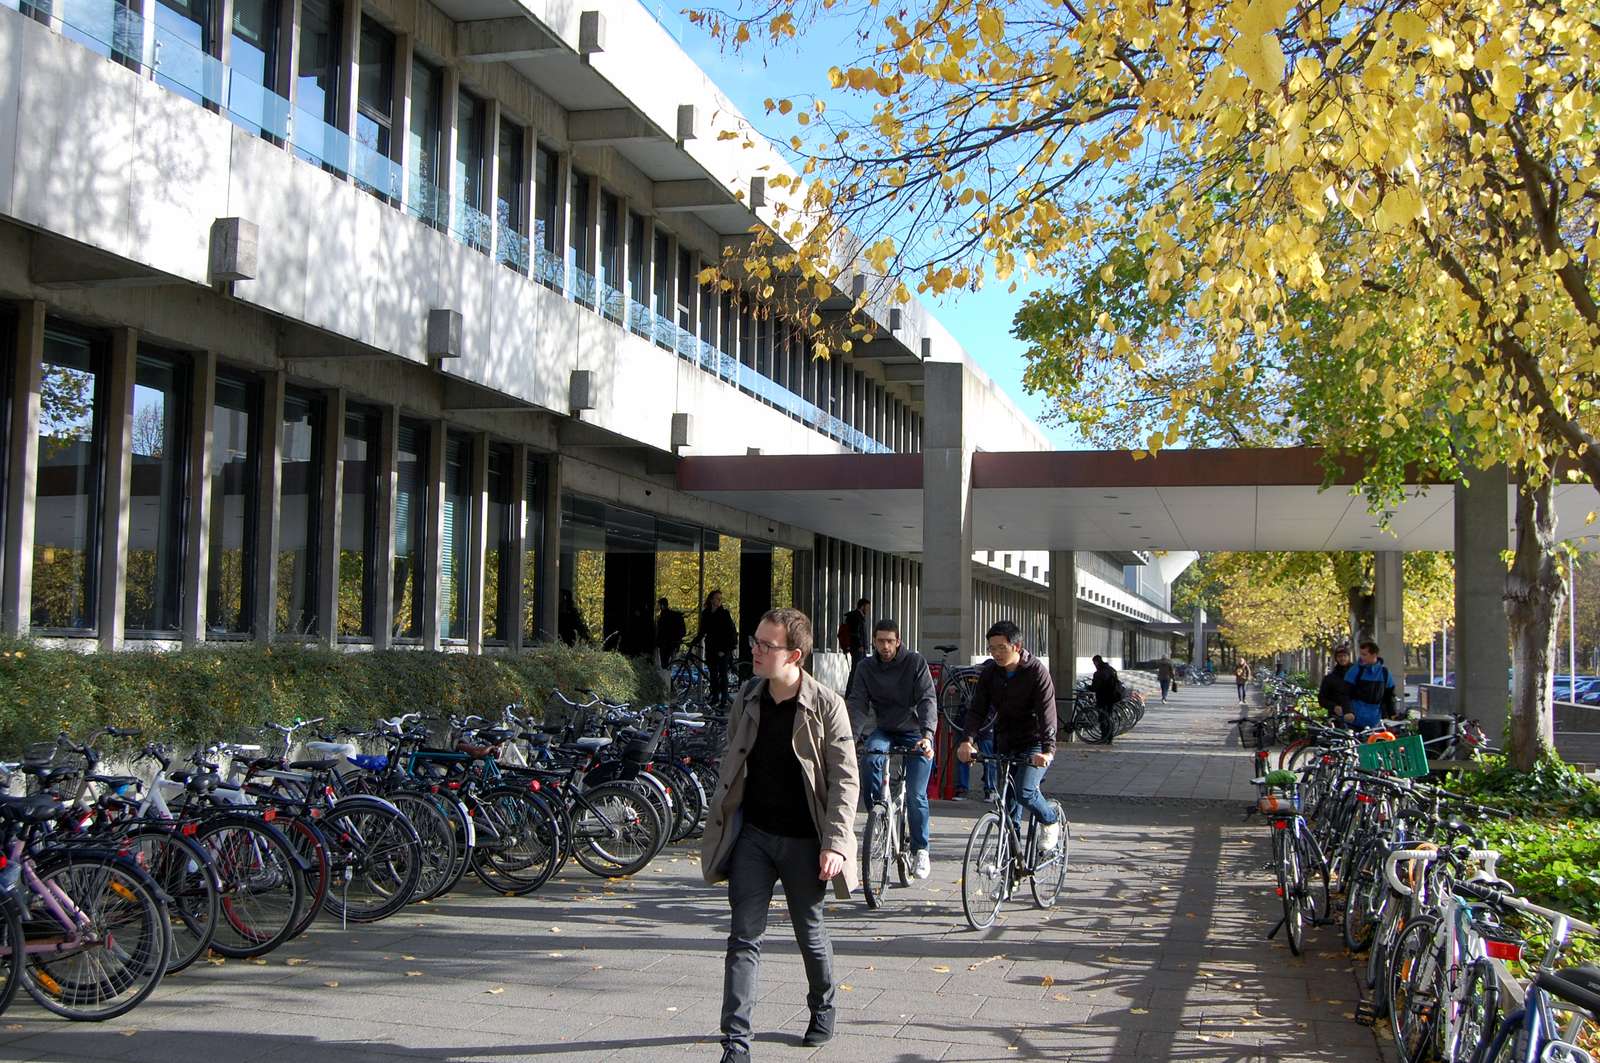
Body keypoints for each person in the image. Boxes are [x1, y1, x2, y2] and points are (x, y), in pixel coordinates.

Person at [701, 608, 860, 1062]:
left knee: (809, 933)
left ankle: (823, 1006)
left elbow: (846, 781)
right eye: (755, 641)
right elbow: (735, 761)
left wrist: (835, 843)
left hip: (805, 841)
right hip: (753, 836)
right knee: (743, 938)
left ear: (795, 654)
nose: (755, 650)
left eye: (765, 646)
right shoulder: (748, 697)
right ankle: (735, 1044)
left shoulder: (827, 705)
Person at [955, 621, 1061, 850]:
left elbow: (1047, 714)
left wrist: (1048, 750)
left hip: (1034, 742)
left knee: (1025, 791)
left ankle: (1050, 819)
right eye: (991, 648)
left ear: (1017, 646)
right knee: (1009, 806)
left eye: (1001, 648)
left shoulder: (1036, 672)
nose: (996, 654)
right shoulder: (990, 672)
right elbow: (977, 710)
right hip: (1005, 740)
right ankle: (1012, 865)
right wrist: (967, 741)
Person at [846, 619, 937, 878]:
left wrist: (928, 736)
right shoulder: (866, 667)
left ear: (898, 642)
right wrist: (850, 738)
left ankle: (921, 850)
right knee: (870, 758)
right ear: (873, 642)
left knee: (916, 795)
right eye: (880, 641)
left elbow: (928, 699)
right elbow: (857, 703)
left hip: (915, 732)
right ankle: (879, 815)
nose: (885, 646)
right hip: (884, 729)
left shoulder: (915, 663)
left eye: (890, 641)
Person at [1340, 640, 1398, 729]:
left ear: (1374, 655)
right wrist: (1348, 711)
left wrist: (1393, 714)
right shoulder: (1355, 670)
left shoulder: (1384, 673)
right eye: (1361, 654)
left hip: (1375, 720)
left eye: (1364, 654)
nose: (1361, 657)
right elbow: (1345, 693)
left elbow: (1389, 696)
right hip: (1355, 719)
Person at [700, 590, 739, 707]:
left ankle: (723, 699)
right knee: (712, 674)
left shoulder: (724, 614)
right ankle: (715, 697)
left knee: (723, 675)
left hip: (723, 649)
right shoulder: (706, 613)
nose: (718, 601)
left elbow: (730, 632)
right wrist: (693, 641)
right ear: (711, 599)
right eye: (716, 598)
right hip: (711, 648)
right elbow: (703, 630)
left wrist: (725, 649)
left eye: (720, 599)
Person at [1089, 655, 1121, 745]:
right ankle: (1109, 738)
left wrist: (1089, 688)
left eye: (1094, 663)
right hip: (1112, 697)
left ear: (1096, 662)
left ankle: (1104, 737)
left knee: (1102, 718)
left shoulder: (1099, 673)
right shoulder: (1111, 669)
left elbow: (1096, 687)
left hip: (1103, 698)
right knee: (1109, 717)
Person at [1318, 645, 1354, 725]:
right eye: (1339, 656)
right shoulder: (1330, 678)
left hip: (1356, 717)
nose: (1342, 658)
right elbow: (1322, 699)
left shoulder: (1357, 674)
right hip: (1337, 718)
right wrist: (1334, 707)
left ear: (1349, 656)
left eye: (1345, 656)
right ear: (1336, 658)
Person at [841, 597, 871, 690]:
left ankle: (857, 692)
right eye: (867, 607)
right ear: (862, 607)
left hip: (859, 648)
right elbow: (855, 633)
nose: (868, 610)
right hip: (858, 649)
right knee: (856, 670)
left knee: (860, 670)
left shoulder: (858, 616)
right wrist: (860, 645)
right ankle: (849, 693)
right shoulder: (856, 617)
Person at [656, 597, 687, 669]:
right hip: (674, 643)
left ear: (662, 605)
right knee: (670, 664)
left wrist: (658, 642)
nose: (658, 607)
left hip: (665, 644)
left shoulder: (663, 616)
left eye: (659, 605)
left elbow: (661, 631)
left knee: (664, 664)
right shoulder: (675, 615)